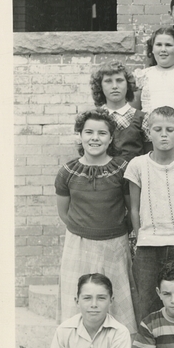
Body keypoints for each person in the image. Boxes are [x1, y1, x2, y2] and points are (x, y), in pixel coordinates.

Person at [55, 109, 136, 336]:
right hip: (79, 244)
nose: (95, 138)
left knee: (114, 295)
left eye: (102, 133)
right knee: (82, 294)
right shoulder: (67, 172)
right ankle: (76, 340)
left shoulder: (122, 169)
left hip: (114, 243)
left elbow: (131, 207)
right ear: (80, 135)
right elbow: (64, 212)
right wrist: (83, 228)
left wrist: (115, 229)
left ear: (110, 138)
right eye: (88, 132)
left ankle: (117, 342)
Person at [126, 106, 174, 324]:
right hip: (149, 245)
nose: (164, 134)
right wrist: (141, 237)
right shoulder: (138, 165)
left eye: (170, 129)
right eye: (157, 129)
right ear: (148, 132)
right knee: (148, 299)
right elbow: (134, 207)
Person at [91, 60, 145, 162]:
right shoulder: (94, 118)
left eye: (119, 80)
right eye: (108, 81)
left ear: (128, 85)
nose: (114, 86)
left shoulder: (142, 118)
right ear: (100, 86)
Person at [133, 27, 174, 113]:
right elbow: (134, 111)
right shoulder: (142, 75)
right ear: (152, 49)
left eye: (168, 45)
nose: (163, 50)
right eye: (158, 45)